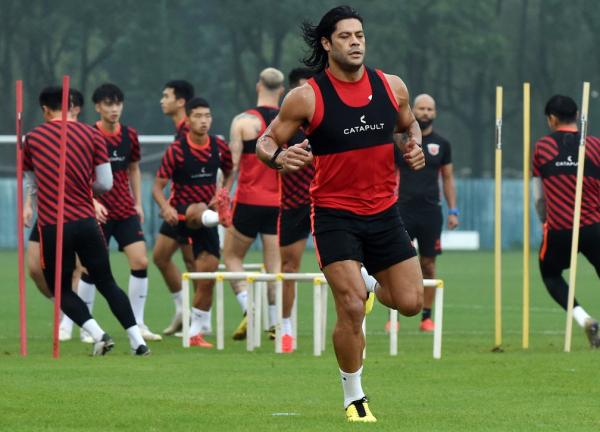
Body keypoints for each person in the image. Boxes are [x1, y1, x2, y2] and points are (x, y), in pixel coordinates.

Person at [256, 6, 425, 422]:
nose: (356, 42)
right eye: (346, 36)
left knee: (411, 302)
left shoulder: (392, 87)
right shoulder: (307, 97)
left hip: (385, 213)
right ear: (328, 44)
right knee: (350, 307)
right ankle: (354, 396)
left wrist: (413, 145)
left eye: (360, 35)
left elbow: (408, 126)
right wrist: (279, 157)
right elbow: (265, 139)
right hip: (334, 215)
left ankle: (370, 281)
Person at [23, 86, 149, 356]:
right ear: (72, 107)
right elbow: (105, 182)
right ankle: (138, 341)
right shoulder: (92, 134)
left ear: (45, 110)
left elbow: (33, 185)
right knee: (107, 282)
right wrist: (85, 193)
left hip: (54, 225)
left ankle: (97, 333)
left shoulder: (31, 138)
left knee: (60, 287)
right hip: (87, 221)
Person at [69, 83, 161, 342]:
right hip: (95, 211)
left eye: (118, 103)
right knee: (89, 267)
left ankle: (139, 322)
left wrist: (138, 203)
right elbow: (80, 174)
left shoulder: (129, 135)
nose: (114, 109)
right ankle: (88, 327)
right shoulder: (88, 134)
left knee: (141, 261)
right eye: (108, 104)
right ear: (98, 107)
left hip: (124, 210)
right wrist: (91, 200)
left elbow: (133, 168)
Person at [153, 97, 233, 348]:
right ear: (188, 120)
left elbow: (230, 172)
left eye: (207, 116)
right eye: (198, 116)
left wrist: (222, 193)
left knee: (206, 274)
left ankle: (196, 330)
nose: (204, 121)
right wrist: (165, 207)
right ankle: (181, 307)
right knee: (159, 258)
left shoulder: (219, 146)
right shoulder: (177, 150)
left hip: (204, 218)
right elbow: (157, 187)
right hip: (178, 215)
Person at [23, 89, 91, 342]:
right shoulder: (41, 138)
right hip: (48, 212)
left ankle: (75, 321)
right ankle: (67, 307)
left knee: (75, 268)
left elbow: (95, 179)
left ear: (77, 110)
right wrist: (29, 204)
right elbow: (33, 176)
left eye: (73, 108)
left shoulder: (84, 135)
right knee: (34, 268)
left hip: (76, 212)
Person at [533, 94, 600, 348]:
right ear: (577, 116)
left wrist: (544, 220)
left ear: (551, 119)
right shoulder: (595, 145)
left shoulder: (542, 147)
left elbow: (538, 197)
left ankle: (584, 320)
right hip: (594, 226)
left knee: (550, 273)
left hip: (560, 228)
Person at [224, 68, 284, 340]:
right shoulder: (288, 121)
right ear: (281, 90)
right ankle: (275, 323)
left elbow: (232, 165)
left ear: (258, 85)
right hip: (277, 202)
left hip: (248, 200)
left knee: (232, 256)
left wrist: (223, 193)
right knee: (274, 267)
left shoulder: (243, 121)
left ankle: (249, 306)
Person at [394, 94, 458, 332]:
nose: (425, 113)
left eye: (429, 109)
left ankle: (426, 317)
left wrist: (454, 210)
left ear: (435, 113)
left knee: (428, 264)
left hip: (431, 212)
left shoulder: (443, 144)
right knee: (397, 263)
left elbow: (448, 178)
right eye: (421, 108)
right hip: (402, 210)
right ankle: (395, 317)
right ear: (413, 110)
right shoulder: (400, 142)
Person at [155, 79, 199, 335]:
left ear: (180, 101)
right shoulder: (179, 131)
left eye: (166, 95)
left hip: (190, 208)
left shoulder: (189, 131)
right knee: (161, 257)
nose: (162, 100)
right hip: (176, 205)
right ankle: (184, 311)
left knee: (193, 263)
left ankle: (198, 319)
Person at [276, 67, 314, 352]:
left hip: (328, 198)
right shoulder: (284, 123)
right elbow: (265, 151)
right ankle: (286, 326)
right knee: (289, 266)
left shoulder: (328, 118)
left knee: (350, 261)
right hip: (294, 203)